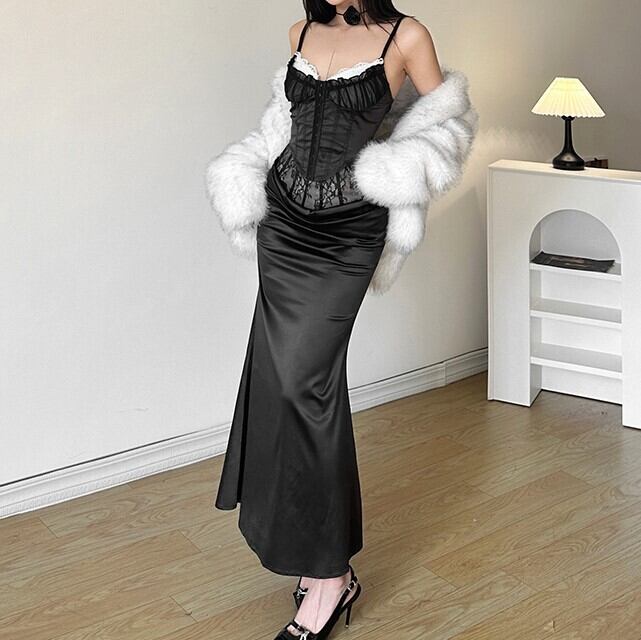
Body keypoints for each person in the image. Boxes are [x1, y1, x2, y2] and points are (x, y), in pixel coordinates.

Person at [205, 2, 478, 638]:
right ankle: (312, 556)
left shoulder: (406, 35)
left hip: (348, 232)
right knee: (278, 383)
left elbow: (450, 121)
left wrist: (396, 170)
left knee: (308, 386)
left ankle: (331, 576)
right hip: (283, 224)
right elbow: (287, 122)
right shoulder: (301, 30)